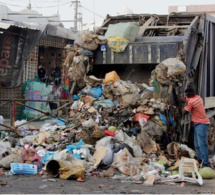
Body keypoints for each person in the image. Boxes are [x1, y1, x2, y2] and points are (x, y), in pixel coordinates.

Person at [183, 87, 210, 167]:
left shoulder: (192, 101)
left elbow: (185, 112)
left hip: (201, 124)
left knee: (201, 144)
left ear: (188, 95)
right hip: (199, 123)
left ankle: (205, 164)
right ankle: (201, 161)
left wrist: (184, 104)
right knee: (197, 145)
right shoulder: (198, 97)